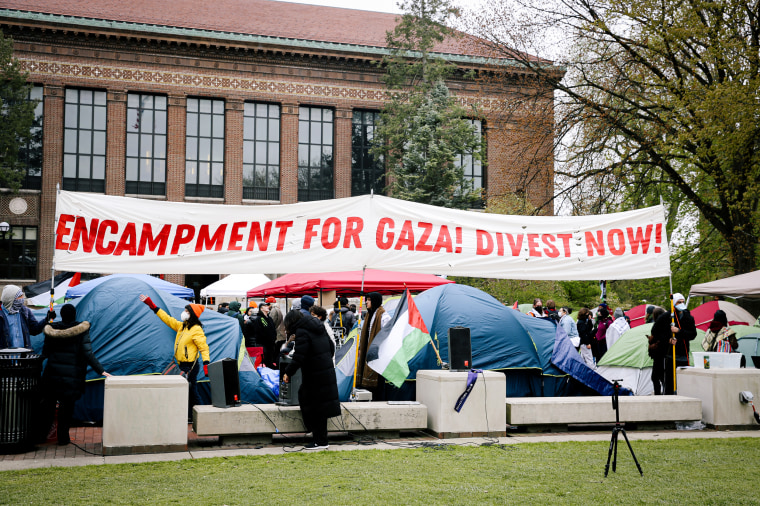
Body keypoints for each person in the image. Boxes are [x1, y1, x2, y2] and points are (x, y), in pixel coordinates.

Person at [38, 303, 112, 445]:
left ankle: (42, 436)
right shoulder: (81, 331)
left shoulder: (51, 330)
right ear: (74, 315)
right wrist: (101, 370)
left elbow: (45, 352)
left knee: (48, 407)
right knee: (66, 409)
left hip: (52, 375)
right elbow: (88, 354)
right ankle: (63, 438)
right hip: (71, 378)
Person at [139, 294, 210, 420]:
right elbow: (168, 319)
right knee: (185, 390)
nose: (184, 313)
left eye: (187, 311)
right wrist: (153, 306)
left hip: (191, 366)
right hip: (181, 364)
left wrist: (206, 363)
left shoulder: (196, 329)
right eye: (185, 310)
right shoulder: (182, 326)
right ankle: (188, 415)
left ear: (192, 314)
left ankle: (200, 416)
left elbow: (203, 347)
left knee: (192, 390)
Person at [281, 309, 340, 451]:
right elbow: (331, 347)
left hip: (314, 374)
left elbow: (299, 356)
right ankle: (320, 439)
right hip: (325, 371)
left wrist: (288, 373)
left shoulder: (302, 332)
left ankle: (319, 441)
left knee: (312, 405)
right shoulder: (319, 326)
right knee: (320, 407)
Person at [356, 292, 391, 400]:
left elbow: (387, 336)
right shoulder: (369, 315)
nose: (366, 302)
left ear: (375, 301)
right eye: (366, 299)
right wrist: (361, 348)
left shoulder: (384, 316)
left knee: (377, 380)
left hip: (378, 354)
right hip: (368, 351)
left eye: (369, 300)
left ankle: (378, 400)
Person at [1, 284, 55, 349]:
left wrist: (47, 319)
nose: (22, 298)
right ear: (10, 298)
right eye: (20, 296)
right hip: (5, 356)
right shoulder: (1, 314)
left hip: (23, 355)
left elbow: (34, 330)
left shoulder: (25, 311)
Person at [252, 302, 277, 368]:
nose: (267, 307)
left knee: (270, 362)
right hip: (263, 345)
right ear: (261, 308)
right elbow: (258, 332)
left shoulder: (269, 318)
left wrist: (274, 338)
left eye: (267, 305)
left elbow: (273, 329)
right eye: (265, 306)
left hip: (271, 345)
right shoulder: (259, 319)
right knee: (264, 362)